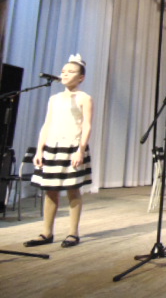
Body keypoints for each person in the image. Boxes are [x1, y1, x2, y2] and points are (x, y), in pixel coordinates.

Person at [24, 54, 93, 248]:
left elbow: (87, 125)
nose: (65, 74)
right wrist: (39, 150)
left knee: (73, 189)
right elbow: (47, 124)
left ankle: (73, 233)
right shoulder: (54, 99)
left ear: (81, 77)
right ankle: (47, 232)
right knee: (50, 190)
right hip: (52, 147)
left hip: (72, 146)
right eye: (63, 71)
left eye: (71, 72)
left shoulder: (84, 98)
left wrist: (80, 150)